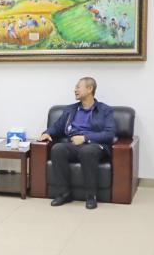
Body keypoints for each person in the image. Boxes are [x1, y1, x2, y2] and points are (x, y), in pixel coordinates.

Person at [38, 77, 115, 210]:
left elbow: (110, 134)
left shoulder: (105, 110)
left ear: (89, 89)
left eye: (78, 87)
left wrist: (85, 138)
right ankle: (64, 194)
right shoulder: (71, 109)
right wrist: (47, 133)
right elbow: (57, 126)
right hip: (73, 145)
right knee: (57, 148)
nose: (75, 90)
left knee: (87, 151)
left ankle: (91, 196)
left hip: (95, 145)